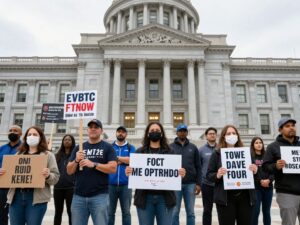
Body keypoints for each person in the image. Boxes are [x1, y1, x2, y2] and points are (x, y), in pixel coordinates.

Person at [125, 122, 186, 225]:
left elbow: (175, 175)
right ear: (147, 134)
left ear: (161, 134)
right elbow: (135, 174)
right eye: (152, 131)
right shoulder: (140, 152)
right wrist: (129, 172)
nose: (155, 132)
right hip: (144, 198)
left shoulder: (170, 152)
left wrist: (181, 174)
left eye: (157, 131)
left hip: (165, 198)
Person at [4, 126, 59, 225]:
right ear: (25, 138)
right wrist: (4, 174)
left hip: (36, 199)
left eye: (35, 134)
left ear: (40, 137)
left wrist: (48, 175)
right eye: (29, 135)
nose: (32, 136)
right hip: (16, 197)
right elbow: (10, 176)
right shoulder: (18, 155)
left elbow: (55, 178)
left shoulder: (48, 155)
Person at [67, 119, 117, 225]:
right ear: (87, 130)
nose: (93, 129)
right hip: (78, 197)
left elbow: (113, 168)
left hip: (100, 196)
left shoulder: (108, 147)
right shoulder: (79, 148)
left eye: (96, 127)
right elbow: (69, 171)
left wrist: (94, 164)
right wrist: (76, 160)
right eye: (91, 127)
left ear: (101, 131)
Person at [206, 125, 257, 225]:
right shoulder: (217, 153)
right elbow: (209, 175)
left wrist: (255, 170)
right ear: (223, 136)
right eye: (229, 134)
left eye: (234, 133)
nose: (232, 135)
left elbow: (256, 175)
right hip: (225, 198)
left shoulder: (247, 153)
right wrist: (218, 174)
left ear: (237, 136)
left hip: (245, 197)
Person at [263, 118, 300, 225]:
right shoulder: (272, 147)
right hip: (286, 193)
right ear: (280, 130)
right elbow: (265, 167)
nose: (291, 128)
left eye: (293, 125)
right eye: (287, 126)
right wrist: (276, 166)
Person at [171, 124, 201, 225]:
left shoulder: (193, 147)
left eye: (184, 131)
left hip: (190, 184)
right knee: (174, 212)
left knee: (191, 212)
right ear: (177, 133)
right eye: (180, 131)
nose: (182, 133)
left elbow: (198, 166)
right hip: (175, 184)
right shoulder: (170, 147)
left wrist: (198, 183)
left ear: (187, 133)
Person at [108, 126, 135, 225]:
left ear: (126, 134)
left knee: (126, 213)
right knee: (110, 213)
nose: (120, 133)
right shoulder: (110, 147)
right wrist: (125, 160)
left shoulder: (131, 147)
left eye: (123, 132)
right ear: (116, 133)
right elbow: (108, 161)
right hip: (111, 185)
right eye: (119, 132)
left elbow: (133, 160)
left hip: (126, 185)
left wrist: (117, 158)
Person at [0, 125, 22, 225]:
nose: (12, 132)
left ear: (21, 134)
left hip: (17, 187)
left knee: (17, 216)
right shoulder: (2, 148)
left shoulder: (24, 149)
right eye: (10, 130)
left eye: (15, 131)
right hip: (2, 187)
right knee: (1, 215)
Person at [251, 137, 273, 225]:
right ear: (253, 145)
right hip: (256, 188)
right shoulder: (250, 157)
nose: (259, 144)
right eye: (256, 143)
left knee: (266, 212)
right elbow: (251, 172)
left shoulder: (268, 156)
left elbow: (273, 170)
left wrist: (269, 180)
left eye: (260, 142)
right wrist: (260, 181)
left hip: (268, 187)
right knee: (255, 212)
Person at [54, 134, 76, 225]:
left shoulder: (75, 156)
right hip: (58, 188)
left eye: (69, 140)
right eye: (65, 140)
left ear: (72, 142)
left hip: (71, 188)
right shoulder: (57, 156)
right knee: (58, 212)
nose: (67, 141)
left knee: (71, 212)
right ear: (62, 142)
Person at [198, 127, 217, 225]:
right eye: (210, 133)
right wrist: (200, 182)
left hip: (220, 184)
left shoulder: (222, 148)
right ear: (206, 136)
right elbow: (199, 167)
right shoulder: (201, 150)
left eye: (214, 133)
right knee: (207, 210)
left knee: (223, 210)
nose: (212, 135)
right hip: (206, 184)